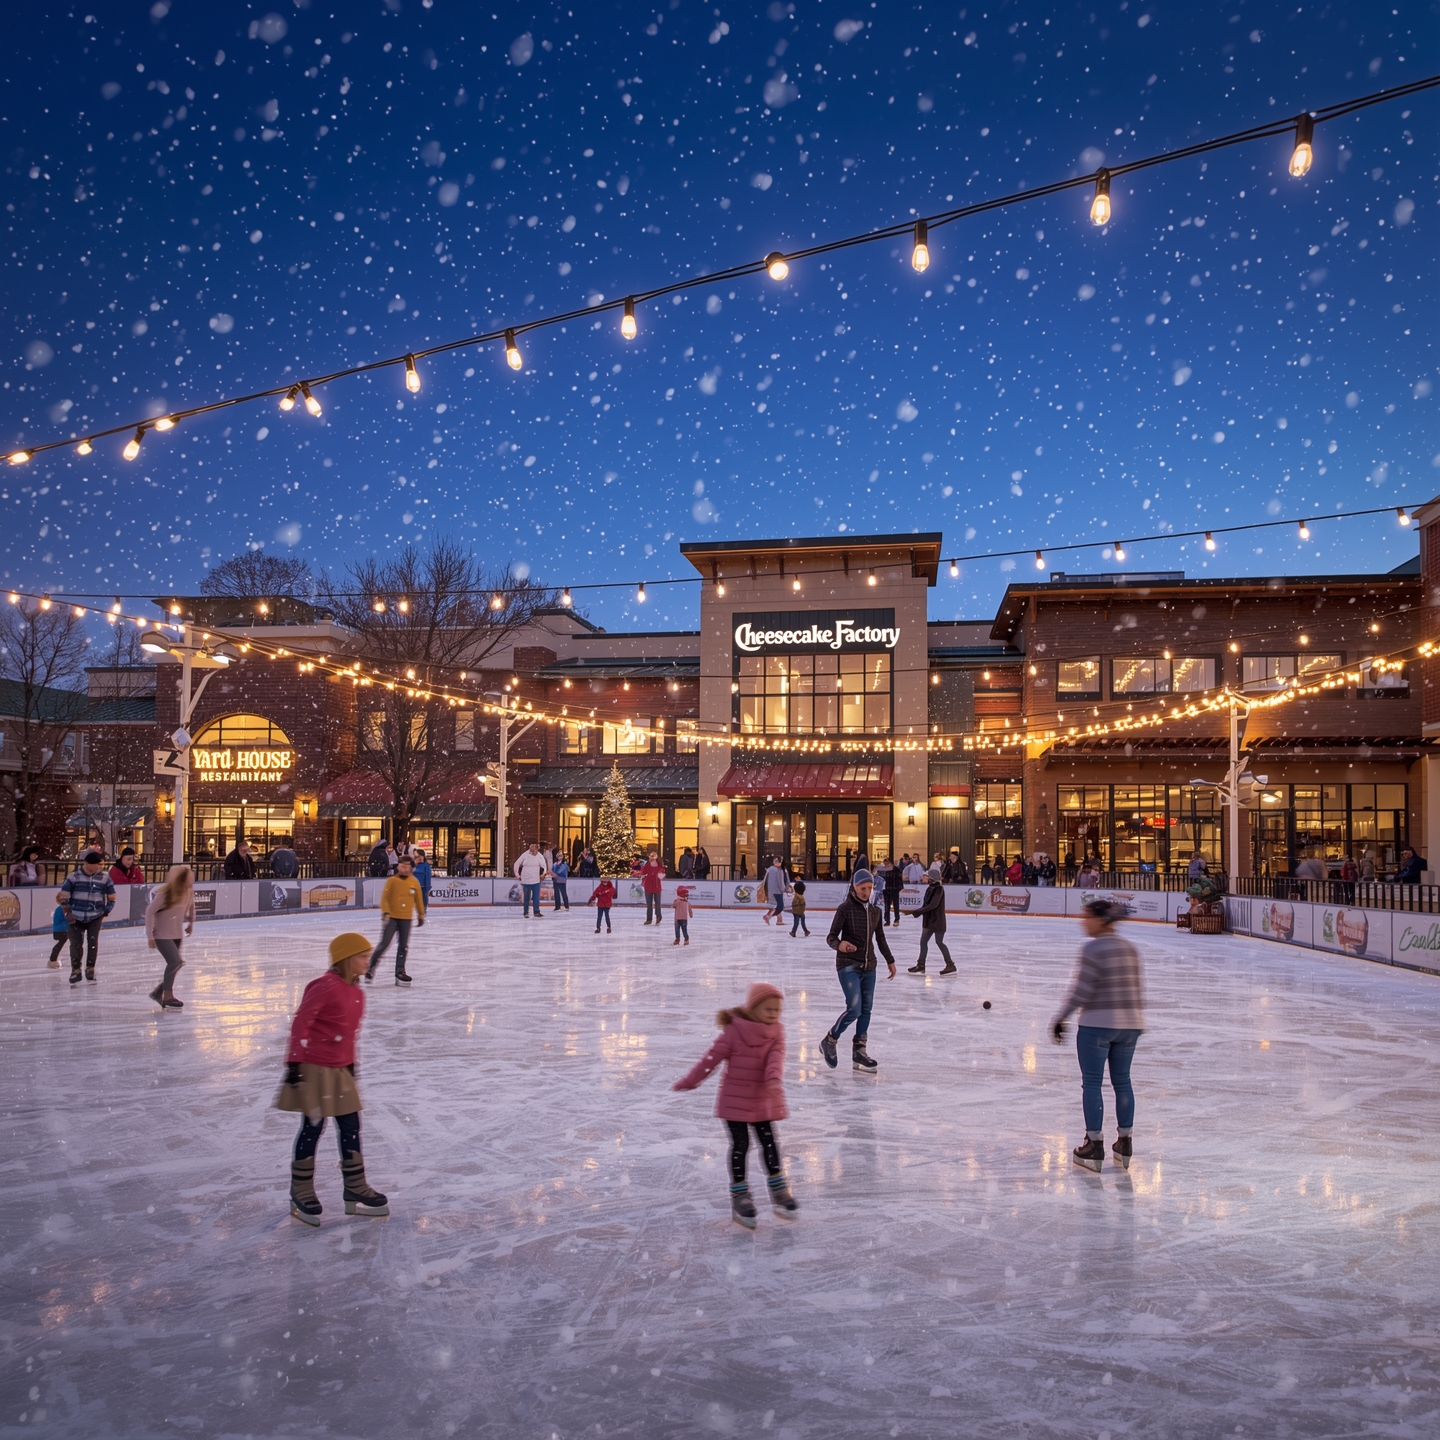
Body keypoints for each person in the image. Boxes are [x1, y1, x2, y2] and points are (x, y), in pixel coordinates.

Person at [276, 932, 390, 1227]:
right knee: (313, 1127)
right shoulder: (324, 986)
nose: (369, 961)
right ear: (347, 959)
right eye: (363, 956)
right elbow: (302, 1022)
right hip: (314, 1067)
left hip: (341, 1069)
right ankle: (300, 1189)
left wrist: (352, 1064)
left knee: (351, 1126)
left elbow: (350, 1033)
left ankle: (355, 1186)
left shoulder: (357, 992)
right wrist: (294, 1063)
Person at [672, 981, 797, 1228]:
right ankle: (740, 1195)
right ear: (753, 1009)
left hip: (763, 1098)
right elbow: (711, 1058)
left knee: (769, 1142)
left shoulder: (776, 1032)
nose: (774, 1014)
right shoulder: (734, 1031)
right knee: (741, 1145)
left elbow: (776, 1057)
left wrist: (773, 1078)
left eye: (777, 1010)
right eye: (768, 1009)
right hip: (735, 1100)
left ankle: (779, 1190)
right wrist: (691, 1080)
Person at [1051, 897, 1144, 1173]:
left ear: (1100, 920)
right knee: (1122, 1081)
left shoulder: (1093, 948)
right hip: (1130, 1025)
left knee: (1092, 1083)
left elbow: (1082, 990)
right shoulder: (1130, 948)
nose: (1083, 921)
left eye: (1086, 916)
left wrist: (1061, 1018)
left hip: (1097, 1025)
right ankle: (1124, 1142)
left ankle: (1094, 1145)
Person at [819, 868, 897, 1074]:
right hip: (848, 965)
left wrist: (890, 960)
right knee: (854, 1008)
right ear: (854, 887)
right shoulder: (845, 909)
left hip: (869, 966)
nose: (866, 892)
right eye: (863, 888)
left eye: (870, 888)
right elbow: (831, 937)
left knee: (866, 1009)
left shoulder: (875, 911)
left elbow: (880, 938)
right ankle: (830, 1039)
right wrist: (840, 945)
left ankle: (859, 1053)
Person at [58, 849, 116, 985]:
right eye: (95, 864)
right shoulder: (74, 877)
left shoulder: (104, 878)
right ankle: (76, 970)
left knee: (93, 942)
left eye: (99, 864)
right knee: (75, 944)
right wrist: (67, 912)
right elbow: (64, 896)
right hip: (76, 916)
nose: (97, 867)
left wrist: (106, 911)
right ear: (86, 864)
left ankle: (90, 968)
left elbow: (112, 897)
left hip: (95, 916)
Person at [367, 855, 425, 986]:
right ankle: (371, 968)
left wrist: (421, 914)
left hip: (406, 919)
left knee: (403, 946)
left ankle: (400, 971)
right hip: (392, 917)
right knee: (384, 944)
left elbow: (419, 899)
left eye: (407, 867)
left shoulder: (414, 882)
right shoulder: (392, 881)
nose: (404, 869)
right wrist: (386, 912)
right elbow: (385, 898)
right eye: (402, 866)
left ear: (410, 868)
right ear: (398, 866)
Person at [145, 863, 195, 1010]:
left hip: (177, 934)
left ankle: (159, 992)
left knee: (177, 963)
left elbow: (191, 908)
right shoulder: (166, 894)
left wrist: (191, 923)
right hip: (162, 934)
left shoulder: (188, 893)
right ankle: (167, 995)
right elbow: (149, 911)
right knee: (174, 962)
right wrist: (150, 936)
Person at [908, 867, 956, 975]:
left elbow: (933, 905)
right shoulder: (930, 888)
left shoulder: (938, 889)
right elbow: (926, 905)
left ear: (931, 878)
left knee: (939, 942)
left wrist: (919, 911)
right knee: (923, 942)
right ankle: (921, 965)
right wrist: (919, 911)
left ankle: (950, 964)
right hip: (929, 921)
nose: (924, 877)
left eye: (926, 876)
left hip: (937, 921)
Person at [513, 841, 549, 919]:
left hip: (536, 880)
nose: (532, 848)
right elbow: (516, 864)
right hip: (526, 880)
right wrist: (517, 875)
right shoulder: (525, 855)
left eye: (534, 846)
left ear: (537, 847)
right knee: (526, 897)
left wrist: (544, 874)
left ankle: (537, 911)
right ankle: (526, 912)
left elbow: (544, 866)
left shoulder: (540, 856)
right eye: (531, 846)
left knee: (536, 897)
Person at [639, 848, 665, 925]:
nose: (652, 857)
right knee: (649, 904)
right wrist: (642, 876)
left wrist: (660, 874)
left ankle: (658, 917)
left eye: (654, 856)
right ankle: (649, 919)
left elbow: (662, 874)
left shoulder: (660, 866)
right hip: (648, 886)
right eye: (651, 856)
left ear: (656, 857)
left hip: (656, 886)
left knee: (658, 904)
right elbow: (642, 874)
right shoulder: (647, 865)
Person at [762, 855, 787, 927]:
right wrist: (784, 889)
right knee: (780, 906)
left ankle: (778, 919)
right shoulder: (778, 870)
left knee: (776, 905)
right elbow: (780, 882)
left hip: (772, 890)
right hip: (777, 891)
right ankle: (769, 917)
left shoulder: (771, 869)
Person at [881, 858, 904, 926]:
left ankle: (896, 919)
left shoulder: (897, 870)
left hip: (895, 889)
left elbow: (900, 880)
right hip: (887, 890)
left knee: (896, 905)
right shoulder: (884, 871)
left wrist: (899, 888)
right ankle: (887, 920)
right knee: (887, 906)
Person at [46, 898, 67, 969]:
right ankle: (53, 959)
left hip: (59, 929)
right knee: (61, 943)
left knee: (61, 943)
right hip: (61, 930)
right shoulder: (62, 909)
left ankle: (53, 959)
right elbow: (65, 919)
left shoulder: (59, 909)